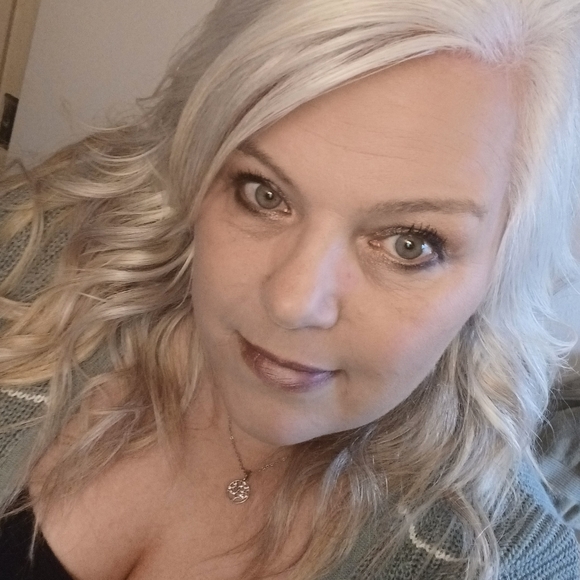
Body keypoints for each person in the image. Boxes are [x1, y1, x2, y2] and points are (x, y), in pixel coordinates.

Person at [1, 0, 580, 578]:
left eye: (409, 244)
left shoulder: (508, 560)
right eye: (264, 193)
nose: (293, 303)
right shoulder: (31, 260)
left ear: (502, 269)